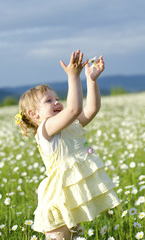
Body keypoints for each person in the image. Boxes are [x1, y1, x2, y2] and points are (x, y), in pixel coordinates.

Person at [15, 50, 120, 240]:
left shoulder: (66, 127)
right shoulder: (46, 130)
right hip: (57, 202)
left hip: (70, 200)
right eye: (49, 101)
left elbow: (91, 109)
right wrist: (73, 76)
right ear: (34, 114)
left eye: (57, 99)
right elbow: (74, 108)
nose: (57, 102)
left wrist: (91, 80)